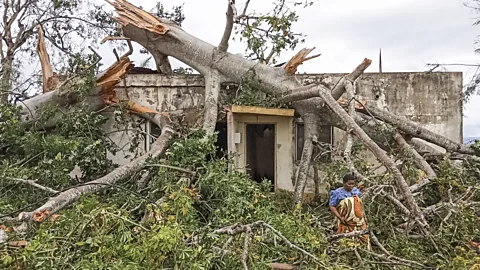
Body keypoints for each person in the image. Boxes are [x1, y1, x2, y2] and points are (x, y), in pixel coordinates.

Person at [329, 173, 370, 248]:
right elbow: (332, 206)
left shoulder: (355, 191)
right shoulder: (337, 193)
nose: (351, 186)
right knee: (347, 239)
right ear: (344, 183)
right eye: (349, 184)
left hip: (359, 221)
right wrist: (339, 217)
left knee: (363, 236)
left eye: (352, 184)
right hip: (346, 221)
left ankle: (364, 251)